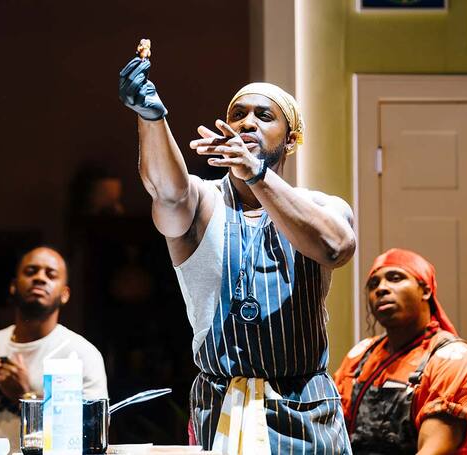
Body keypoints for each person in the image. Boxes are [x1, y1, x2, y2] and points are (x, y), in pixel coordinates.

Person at [118, 50, 356, 454]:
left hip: (304, 407)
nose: (247, 122)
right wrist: (151, 118)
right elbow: (167, 193)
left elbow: (335, 247)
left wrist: (258, 174)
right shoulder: (203, 200)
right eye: (238, 114)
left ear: (292, 140)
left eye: (264, 116)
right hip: (222, 405)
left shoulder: (320, 205)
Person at [334, 248, 467, 455]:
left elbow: (433, 451)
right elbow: (333, 432)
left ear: (425, 290)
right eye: (373, 284)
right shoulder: (360, 356)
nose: (381, 289)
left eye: (395, 278)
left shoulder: (451, 359)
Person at [0, 246, 108, 453]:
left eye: (51, 274)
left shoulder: (82, 354)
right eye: (31, 272)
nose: (40, 278)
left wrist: (26, 396)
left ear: (65, 294)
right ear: (13, 286)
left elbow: (92, 434)